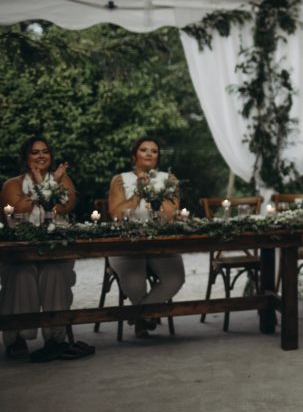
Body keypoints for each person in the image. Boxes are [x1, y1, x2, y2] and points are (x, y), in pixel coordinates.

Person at [1, 137, 90, 361]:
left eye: (45, 152)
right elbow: (16, 210)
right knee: (21, 275)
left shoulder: (64, 179)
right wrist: (45, 187)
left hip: (55, 248)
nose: (41, 156)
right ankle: (17, 336)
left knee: (54, 274)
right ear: (25, 158)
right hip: (20, 252)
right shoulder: (12, 185)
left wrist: (53, 185)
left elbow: (64, 207)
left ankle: (55, 337)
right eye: (34, 152)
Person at [107, 136, 185, 337]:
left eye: (154, 151)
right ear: (134, 155)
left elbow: (169, 215)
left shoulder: (169, 179)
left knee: (175, 278)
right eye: (144, 150)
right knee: (134, 281)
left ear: (158, 157)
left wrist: (153, 192)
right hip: (126, 243)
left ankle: (140, 314)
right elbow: (116, 213)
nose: (149, 153)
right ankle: (147, 316)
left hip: (161, 243)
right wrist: (138, 193)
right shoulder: (120, 180)